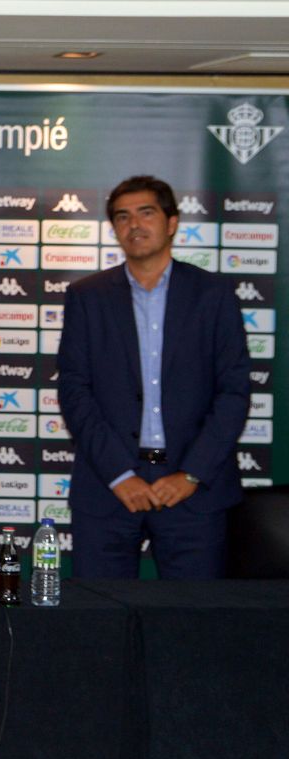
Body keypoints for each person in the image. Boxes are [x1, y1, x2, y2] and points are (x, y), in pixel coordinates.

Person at [57, 174, 249, 579]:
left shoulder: (213, 295)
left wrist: (192, 473)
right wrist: (119, 474)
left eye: (146, 213)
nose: (134, 225)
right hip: (108, 488)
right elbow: (75, 391)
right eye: (122, 217)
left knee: (193, 625)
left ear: (172, 222)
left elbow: (233, 391)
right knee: (100, 623)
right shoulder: (86, 297)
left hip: (194, 491)